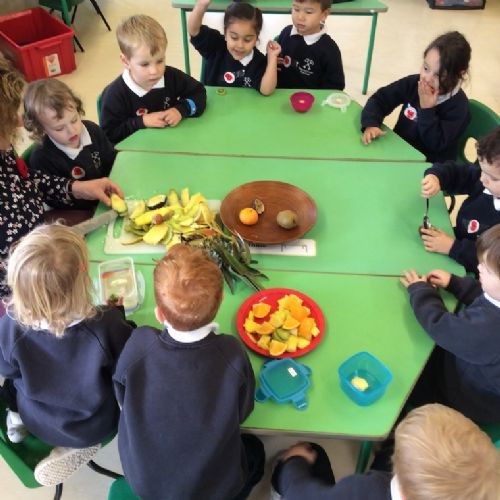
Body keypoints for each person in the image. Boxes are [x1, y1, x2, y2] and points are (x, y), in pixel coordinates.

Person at [114, 244, 265, 500]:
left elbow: (122, 399)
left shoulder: (139, 343)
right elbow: (243, 411)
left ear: (159, 313)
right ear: (221, 301)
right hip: (215, 490)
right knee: (256, 453)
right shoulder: (232, 353)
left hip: (146, 485)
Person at [0, 224, 134, 486]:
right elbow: (127, 363)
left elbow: (7, 369)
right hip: (92, 424)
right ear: (84, 278)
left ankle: (16, 420)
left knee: (13, 384)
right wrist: (119, 315)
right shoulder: (106, 324)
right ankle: (75, 446)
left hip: (37, 418)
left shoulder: (10, 326)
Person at [0, 55, 123, 300]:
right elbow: (15, 284)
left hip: (48, 241)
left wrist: (78, 187)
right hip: (33, 288)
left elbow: (29, 181)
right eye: (6, 119)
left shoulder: (3, 151)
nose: (18, 122)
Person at [271, 404, 500, 499]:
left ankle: (277, 486)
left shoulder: (363, 490)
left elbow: (301, 494)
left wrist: (295, 463)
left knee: (313, 452)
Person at [400, 224, 500, 424]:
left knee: (407, 380)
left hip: (463, 400)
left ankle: (395, 428)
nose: (478, 268)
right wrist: (455, 284)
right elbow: (486, 298)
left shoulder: (487, 330)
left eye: (487, 269)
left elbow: (440, 325)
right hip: (476, 377)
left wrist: (421, 291)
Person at [361, 31, 471, 162]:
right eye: (426, 68)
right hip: (399, 153)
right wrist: (371, 123)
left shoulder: (459, 107)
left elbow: (436, 144)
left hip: (430, 167)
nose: (427, 78)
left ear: (459, 75)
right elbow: (380, 99)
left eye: (439, 75)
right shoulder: (414, 83)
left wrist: (427, 109)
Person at [101, 14, 207, 145]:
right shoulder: (114, 95)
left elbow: (199, 93)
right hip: (138, 153)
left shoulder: (171, 76)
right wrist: (141, 122)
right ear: (126, 61)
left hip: (175, 145)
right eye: (145, 64)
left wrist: (181, 110)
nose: (154, 71)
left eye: (160, 61)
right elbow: (109, 136)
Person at [23, 78, 116, 211]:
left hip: (108, 197)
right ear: (42, 129)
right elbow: (54, 199)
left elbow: (112, 161)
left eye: (74, 120)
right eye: (60, 128)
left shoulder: (92, 130)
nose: (72, 131)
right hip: (77, 211)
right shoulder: (41, 158)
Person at [420, 126, 500, 274]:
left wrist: (453, 247)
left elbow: (493, 264)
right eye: (483, 171)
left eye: (493, 178)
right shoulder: (485, 180)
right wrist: (436, 177)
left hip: (477, 274)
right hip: (454, 242)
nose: (483, 179)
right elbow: (458, 172)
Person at [188, 0, 281, 95]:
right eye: (234, 37)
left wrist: (272, 58)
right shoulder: (215, 45)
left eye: (247, 40)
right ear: (225, 33)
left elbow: (266, 90)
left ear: (256, 38)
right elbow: (193, 31)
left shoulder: (258, 61)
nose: (240, 45)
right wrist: (201, 5)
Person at [276, 0, 345, 90]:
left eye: (308, 12)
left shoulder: (330, 50)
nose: (300, 17)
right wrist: (271, 61)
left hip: (311, 98)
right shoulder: (286, 32)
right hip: (279, 94)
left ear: (324, 14)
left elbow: (336, 86)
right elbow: (272, 61)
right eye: (296, 9)